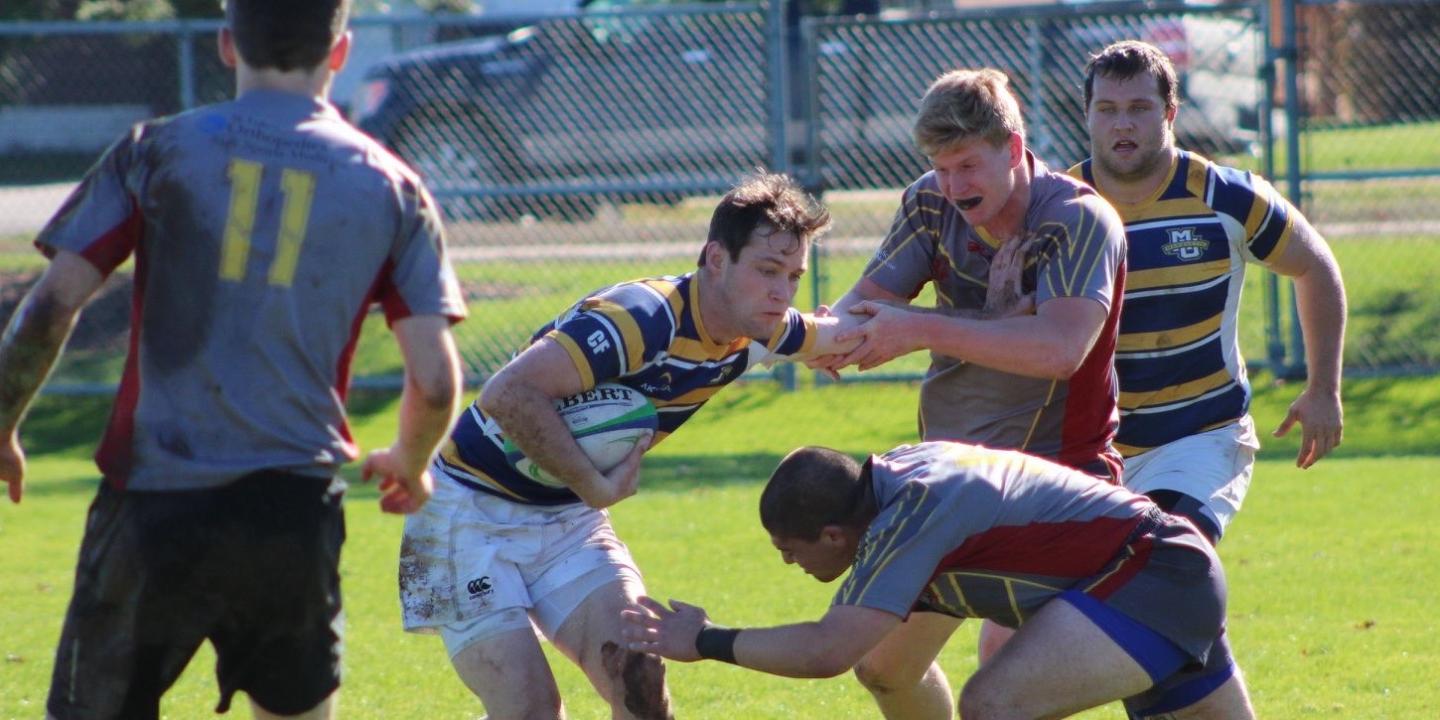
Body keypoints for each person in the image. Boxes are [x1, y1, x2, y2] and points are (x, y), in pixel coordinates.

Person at [0, 0, 467, 716]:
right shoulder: (392, 186)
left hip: (155, 498)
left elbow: (49, 308)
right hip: (290, 506)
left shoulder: (154, 150)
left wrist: (3, 424)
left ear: (225, 45)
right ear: (339, 52)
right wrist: (411, 458)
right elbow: (435, 380)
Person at [399, 171, 862, 720]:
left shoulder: (762, 327)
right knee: (529, 708)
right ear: (716, 259)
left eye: (793, 275)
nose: (782, 292)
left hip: (565, 519)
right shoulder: (639, 319)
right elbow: (507, 393)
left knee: (640, 673)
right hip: (464, 515)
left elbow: (839, 332)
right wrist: (594, 483)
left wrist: (890, 333)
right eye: (767, 271)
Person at [810, 67, 1129, 713]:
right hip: (952, 486)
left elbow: (1060, 350)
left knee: (1004, 676)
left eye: (967, 166)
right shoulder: (929, 202)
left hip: (1055, 484)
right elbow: (862, 312)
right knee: (881, 666)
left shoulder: (1078, 218)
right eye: (939, 167)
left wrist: (921, 328)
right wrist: (782, 329)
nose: (952, 186)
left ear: (1013, 149)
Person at [622, 443, 1257, 719]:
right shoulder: (888, 495)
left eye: (790, 552)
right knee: (886, 667)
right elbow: (859, 654)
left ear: (834, 536)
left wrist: (704, 640)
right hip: (1142, 571)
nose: (789, 564)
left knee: (991, 705)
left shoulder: (913, 515)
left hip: (1155, 571)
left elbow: (824, 652)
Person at [1074, 40, 1347, 544]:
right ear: (1087, 114)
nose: (1123, 124)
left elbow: (1316, 266)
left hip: (1200, 436)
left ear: (1170, 113)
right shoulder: (1061, 209)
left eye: (1140, 108)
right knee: (1039, 608)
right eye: (1107, 110)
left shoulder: (1227, 195)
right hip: (1090, 448)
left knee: (1165, 556)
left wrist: (1324, 390)